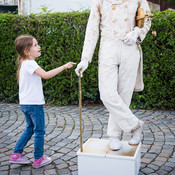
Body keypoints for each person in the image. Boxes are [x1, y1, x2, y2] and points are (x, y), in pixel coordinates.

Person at [75, 0, 151, 151]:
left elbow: (147, 19)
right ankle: (135, 125)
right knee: (107, 93)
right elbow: (92, 28)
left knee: (124, 95)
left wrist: (137, 33)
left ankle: (114, 136)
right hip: (108, 45)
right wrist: (85, 58)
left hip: (130, 48)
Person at [9, 35, 76, 168]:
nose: (39, 47)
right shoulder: (30, 63)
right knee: (39, 131)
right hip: (34, 104)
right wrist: (64, 66)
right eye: (35, 45)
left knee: (29, 129)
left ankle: (16, 154)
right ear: (27, 51)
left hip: (25, 104)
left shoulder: (24, 64)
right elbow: (46, 75)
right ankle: (38, 159)